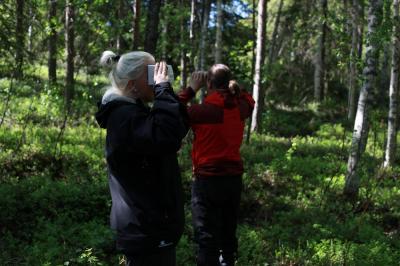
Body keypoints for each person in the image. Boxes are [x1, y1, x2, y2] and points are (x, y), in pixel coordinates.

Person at [95, 50, 189, 266]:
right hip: (145, 228)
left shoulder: (134, 113)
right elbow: (165, 136)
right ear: (133, 83)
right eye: (150, 72)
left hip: (150, 227)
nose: (155, 77)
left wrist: (165, 90)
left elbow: (177, 128)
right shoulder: (124, 117)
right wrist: (162, 89)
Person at [178, 64, 255, 266]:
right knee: (227, 235)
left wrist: (192, 88)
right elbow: (250, 100)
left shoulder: (201, 111)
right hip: (232, 181)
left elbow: (173, 109)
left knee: (207, 239)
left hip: (207, 181)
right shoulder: (239, 108)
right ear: (228, 82)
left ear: (209, 83)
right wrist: (233, 87)